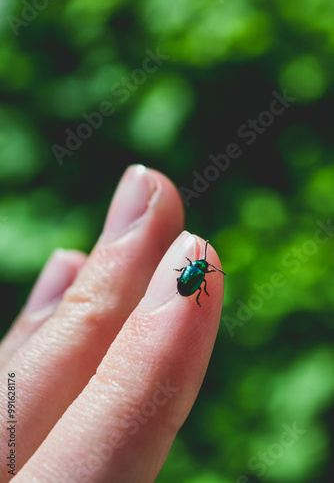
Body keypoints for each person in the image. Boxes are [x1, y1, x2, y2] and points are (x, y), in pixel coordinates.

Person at [0, 164, 224, 483]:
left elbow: (185, 280)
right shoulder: (196, 270)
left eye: (201, 267)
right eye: (200, 266)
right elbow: (187, 281)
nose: (200, 267)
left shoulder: (194, 270)